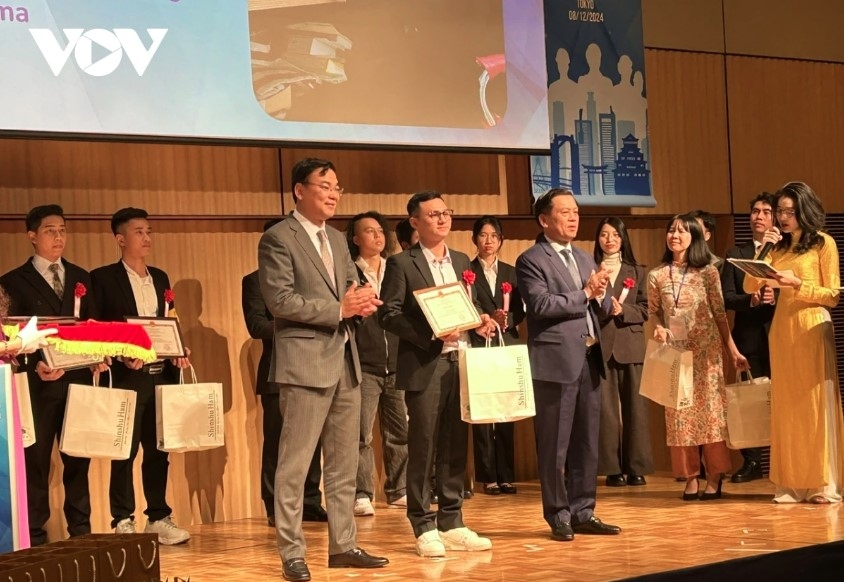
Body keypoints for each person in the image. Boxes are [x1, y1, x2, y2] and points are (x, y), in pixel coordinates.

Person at [258, 158, 388, 582]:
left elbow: (351, 288)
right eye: (325, 186)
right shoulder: (278, 238)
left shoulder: (336, 238)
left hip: (346, 363)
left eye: (338, 188)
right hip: (304, 364)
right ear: (300, 190)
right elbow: (280, 301)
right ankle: (292, 553)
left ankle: (344, 545)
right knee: (295, 465)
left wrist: (364, 302)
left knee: (344, 462)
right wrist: (338, 309)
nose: (333, 194)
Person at [378, 191, 495, 558]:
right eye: (433, 215)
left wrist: (481, 320)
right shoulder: (402, 264)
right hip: (425, 363)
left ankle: (452, 519)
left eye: (446, 213)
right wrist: (430, 332)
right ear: (415, 222)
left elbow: (468, 303)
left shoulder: (461, 259)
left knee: (455, 443)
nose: (442, 220)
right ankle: (421, 522)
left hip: (459, 361)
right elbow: (389, 314)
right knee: (424, 443)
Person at [515, 189, 620, 542]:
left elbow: (598, 309)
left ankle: (583, 510)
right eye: (565, 212)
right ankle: (557, 514)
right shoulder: (531, 259)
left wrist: (604, 298)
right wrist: (587, 294)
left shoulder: (585, 257)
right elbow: (541, 305)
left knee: (587, 442)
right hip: (555, 361)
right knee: (554, 444)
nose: (573, 218)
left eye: (576, 211)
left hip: (589, 358)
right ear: (545, 219)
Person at [90, 207, 192, 545]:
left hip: (160, 375)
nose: (146, 238)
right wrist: (120, 355)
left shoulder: (160, 277)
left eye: (148, 231)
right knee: (125, 450)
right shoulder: (103, 278)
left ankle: (159, 517)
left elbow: (167, 322)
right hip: (126, 376)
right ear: (120, 239)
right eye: (138, 232)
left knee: (158, 449)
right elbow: (97, 330)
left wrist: (178, 349)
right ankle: (122, 518)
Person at [0, 204, 96, 546]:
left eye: (63, 230)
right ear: (31, 236)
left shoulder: (82, 277)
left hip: (76, 382)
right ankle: (36, 539)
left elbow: (92, 329)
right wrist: (34, 364)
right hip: (37, 386)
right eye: (50, 231)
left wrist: (97, 356)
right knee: (36, 465)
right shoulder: (12, 281)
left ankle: (81, 536)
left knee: (78, 461)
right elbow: (9, 338)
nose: (58, 237)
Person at [746, 182, 844, 503]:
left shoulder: (823, 243)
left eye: (789, 211)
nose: (784, 218)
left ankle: (821, 482)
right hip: (783, 329)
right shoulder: (777, 247)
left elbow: (832, 295)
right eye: (780, 212)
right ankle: (791, 482)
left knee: (814, 404)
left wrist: (798, 283)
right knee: (787, 407)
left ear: (803, 209)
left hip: (813, 326)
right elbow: (750, 284)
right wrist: (763, 248)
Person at [648, 214, 748, 501]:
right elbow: (653, 311)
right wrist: (658, 328)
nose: (674, 235)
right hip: (676, 354)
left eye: (681, 231)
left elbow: (720, 314)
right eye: (671, 230)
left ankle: (715, 476)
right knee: (680, 418)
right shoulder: (656, 274)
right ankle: (690, 476)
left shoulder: (708, 272)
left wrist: (732, 350)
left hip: (707, 354)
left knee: (711, 416)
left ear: (694, 236)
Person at [241, 218, 327, 528]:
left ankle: (310, 501)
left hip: (315, 368)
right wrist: (301, 322)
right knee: (279, 441)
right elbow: (256, 326)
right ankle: (274, 506)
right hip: (278, 373)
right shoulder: (253, 281)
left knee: (313, 440)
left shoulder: (312, 280)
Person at [345, 211, 408, 516]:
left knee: (400, 431)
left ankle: (398, 489)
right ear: (356, 239)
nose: (377, 236)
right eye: (369, 231)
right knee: (361, 434)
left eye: (380, 230)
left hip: (397, 361)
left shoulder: (395, 268)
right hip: (364, 363)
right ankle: (362, 493)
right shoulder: (348, 273)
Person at [720, 193, 777, 484]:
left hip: (780, 333)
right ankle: (752, 461)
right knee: (751, 400)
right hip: (749, 335)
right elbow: (727, 297)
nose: (760, 216)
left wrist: (774, 295)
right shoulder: (735, 253)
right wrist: (751, 300)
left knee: (783, 398)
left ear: (775, 218)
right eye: (755, 211)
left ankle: (784, 459)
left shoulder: (784, 251)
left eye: (766, 211)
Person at [593, 217, 653, 487]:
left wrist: (623, 310)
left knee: (635, 409)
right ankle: (611, 468)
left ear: (622, 239)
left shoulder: (637, 271)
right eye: (604, 235)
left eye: (615, 235)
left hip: (631, 345)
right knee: (605, 411)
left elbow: (644, 309)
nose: (609, 239)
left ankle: (636, 467)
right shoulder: (590, 270)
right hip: (600, 345)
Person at [468, 215, 525, 496]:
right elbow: (464, 304)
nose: (488, 241)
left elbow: (522, 309)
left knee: (505, 411)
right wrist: (481, 323)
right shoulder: (465, 271)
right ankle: (487, 476)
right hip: (479, 344)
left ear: (501, 240)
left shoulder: (512, 273)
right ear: (474, 239)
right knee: (482, 413)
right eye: (483, 235)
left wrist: (507, 320)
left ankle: (506, 475)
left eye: (493, 236)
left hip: (506, 343)